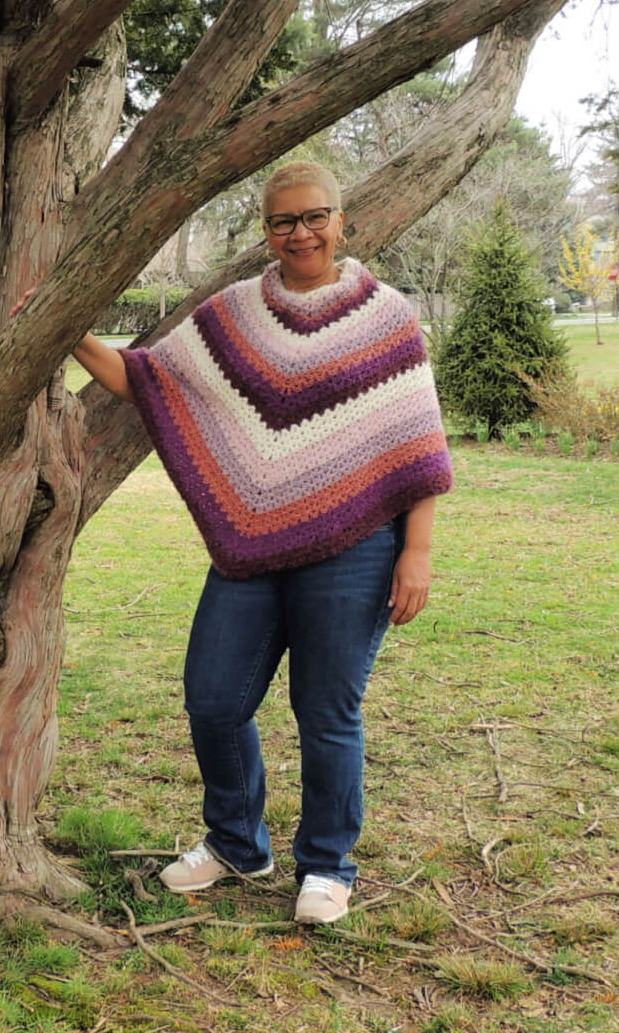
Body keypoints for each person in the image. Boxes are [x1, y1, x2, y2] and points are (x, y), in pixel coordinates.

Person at [68, 161, 453, 924]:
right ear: (265, 231)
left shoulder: (388, 316)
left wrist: (417, 553)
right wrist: (64, 332)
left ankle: (327, 865)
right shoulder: (234, 312)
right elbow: (148, 379)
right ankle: (239, 841)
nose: (300, 232)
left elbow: (419, 451)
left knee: (326, 712)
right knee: (213, 700)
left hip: (358, 548)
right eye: (284, 221)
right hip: (249, 551)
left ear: (343, 221)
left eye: (315, 217)